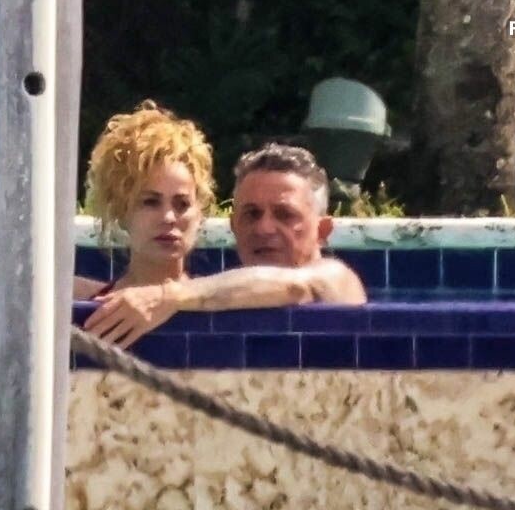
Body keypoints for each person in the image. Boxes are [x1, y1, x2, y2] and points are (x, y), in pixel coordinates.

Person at [84, 142, 367, 347]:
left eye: (284, 214)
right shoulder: (217, 295)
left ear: (323, 230)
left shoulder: (336, 278)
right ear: (234, 226)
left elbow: (296, 287)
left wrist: (167, 296)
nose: (264, 228)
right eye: (251, 214)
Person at [73, 100, 215, 308]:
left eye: (182, 204)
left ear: (200, 213)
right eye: (150, 202)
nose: (168, 217)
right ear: (121, 211)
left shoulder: (224, 307)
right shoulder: (86, 310)